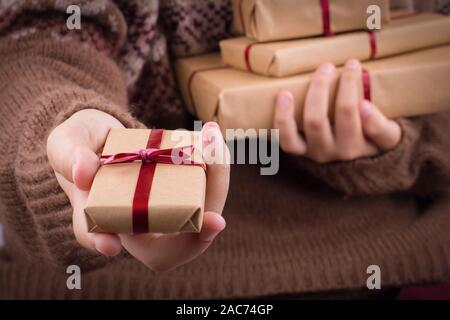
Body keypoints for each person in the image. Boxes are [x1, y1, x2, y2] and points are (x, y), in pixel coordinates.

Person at [0, 0, 449, 299]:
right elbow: (33, 45)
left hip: (384, 262)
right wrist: (63, 125)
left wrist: (405, 147)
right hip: (119, 284)